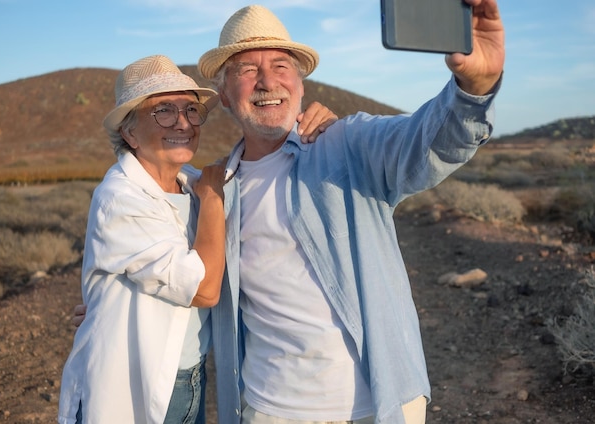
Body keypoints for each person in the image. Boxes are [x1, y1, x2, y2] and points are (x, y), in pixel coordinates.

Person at [195, 1, 505, 423]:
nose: (268, 81)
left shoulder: (348, 143)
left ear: (301, 85)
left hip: (380, 406)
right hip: (271, 409)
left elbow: (427, 143)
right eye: (246, 70)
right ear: (227, 97)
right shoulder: (214, 191)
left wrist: (473, 90)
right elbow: (176, 273)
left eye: (282, 66)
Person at [61, 55, 337, 424]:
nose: (183, 123)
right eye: (163, 111)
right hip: (132, 379)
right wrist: (212, 199)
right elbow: (205, 289)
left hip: (190, 375)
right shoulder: (121, 198)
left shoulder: (189, 183)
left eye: (191, 110)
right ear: (128, 132)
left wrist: (324, 131)